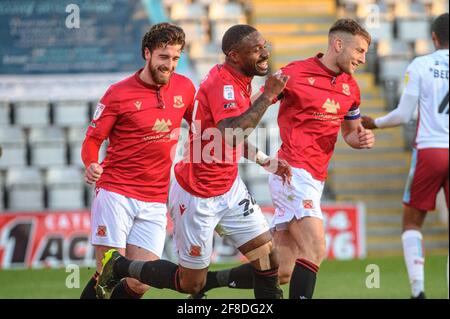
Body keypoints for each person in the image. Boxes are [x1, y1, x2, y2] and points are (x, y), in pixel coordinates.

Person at [95, 24, 291, 299]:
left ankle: (219, 284)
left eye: (264, 45)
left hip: (229, 189)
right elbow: (232, 134)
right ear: (235, 56)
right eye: (256, 49)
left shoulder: (238, 81)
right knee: (191, 284)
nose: (264, 53)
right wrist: (269, 96)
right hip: (197, 194)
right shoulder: (223, 85)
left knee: (268, 259)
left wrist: (265, 161)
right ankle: (120, 266)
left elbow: (222, 136)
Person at [190, 18, 375, 299]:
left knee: (283, 270)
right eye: (359, 51)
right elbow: (249, 107)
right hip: (292, 171)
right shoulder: (295, 74)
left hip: (315, 177)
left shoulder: (352, 88)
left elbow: (350, 133)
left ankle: (208, 282)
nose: (363, 59)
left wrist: (359, 139)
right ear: (338, 45)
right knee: (315, 249)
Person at [79, 23, 196, 299]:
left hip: (155, 198)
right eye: (164, 57)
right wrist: (91, 164)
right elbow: (92, 140)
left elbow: (203, 126)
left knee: (140, 282)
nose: (170, 65)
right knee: (110, 272)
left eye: (176, 58)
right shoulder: (118, 93)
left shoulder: (186, 87)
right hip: (116, 191)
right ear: (147, 53)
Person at [362, 13, 449, 299]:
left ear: (434, 37)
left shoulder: (421, 64)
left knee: (412, 223)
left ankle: (418, 291)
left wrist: (374, 123)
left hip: (430, 149)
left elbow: (402, 115)